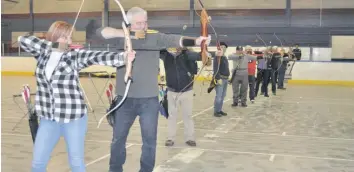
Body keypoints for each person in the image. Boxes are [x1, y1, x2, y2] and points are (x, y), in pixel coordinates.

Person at [94, 7, 211, 172]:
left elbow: (174, 40)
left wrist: (197, 41)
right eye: (139, 23)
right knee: (118, 139)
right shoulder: (119, 37)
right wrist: (126, 34)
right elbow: (99, 32)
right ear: (129, 24)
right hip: (124, 100)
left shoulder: (154, 38)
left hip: (149, 101)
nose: (143, 26)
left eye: (145, 22)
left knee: (149, 140)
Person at [18, 21, 135, 172]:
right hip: (49, 118)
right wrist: (54, 47)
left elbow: (97, 56)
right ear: (55, 36)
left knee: (76, 164)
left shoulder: (73, 56)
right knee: (37, 163)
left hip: (73, 118)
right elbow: (23, 40)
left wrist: (124, 57)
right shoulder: (42, 54)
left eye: (70, 38)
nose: (69, 42)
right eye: (66, 38)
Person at [160, 47, 201, 147]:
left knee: (187, 116)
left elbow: (201, 56)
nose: (176, 46)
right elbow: (155, 49)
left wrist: (205, 50)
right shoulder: (165, 55)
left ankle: (190, 138)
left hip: (187, 91)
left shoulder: (188, 54)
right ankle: (170, 138)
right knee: (171, 116)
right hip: (172, 91)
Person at [212, 42, 230, 117]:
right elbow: (215, 68)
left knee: (223, 96)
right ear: (219, 48)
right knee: (219, 96)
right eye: (222, 47)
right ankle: (216, 111)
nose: (223, 48)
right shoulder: (217, 56)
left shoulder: (224, 57)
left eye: (225, 47)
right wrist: (217, 78)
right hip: (220, 79)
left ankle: (219, 110)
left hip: (225, 79)